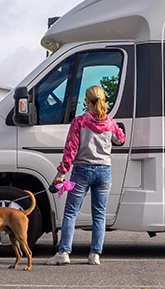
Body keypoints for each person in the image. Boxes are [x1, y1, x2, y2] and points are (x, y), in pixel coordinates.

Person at [47, 85, 125, 266]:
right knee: (99, 214)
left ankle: (63, 253)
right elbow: (120, 139)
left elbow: (70, 151)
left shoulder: (79, 122)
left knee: (71, 213)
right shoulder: (110, 123)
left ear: (87, 102)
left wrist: (60, 175)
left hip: (82, 171)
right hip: (104, 172)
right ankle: (95, 255)